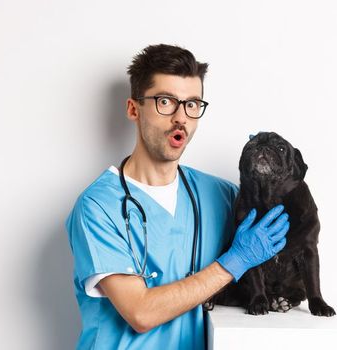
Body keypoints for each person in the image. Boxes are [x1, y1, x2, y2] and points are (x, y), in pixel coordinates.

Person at [65, 44, 290, 349]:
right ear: (133, 109)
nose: (181, 117)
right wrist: (234, 262)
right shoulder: (99, 207)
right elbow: (140, 312)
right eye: (166, 101)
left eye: (192, 104)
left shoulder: (220, 196)